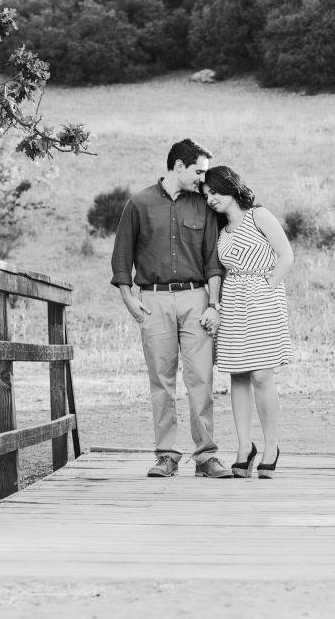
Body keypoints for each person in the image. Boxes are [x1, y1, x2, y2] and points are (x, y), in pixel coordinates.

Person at [111, 139, 232, 479]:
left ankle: (206, 457)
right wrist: (128, 297)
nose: (203, 179)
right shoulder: (139, 203)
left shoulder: (204, 207)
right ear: (179, 166)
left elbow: (213, 261)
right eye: (199, 171)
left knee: (201, 380)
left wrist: (214, 304)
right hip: (153, 300)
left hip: (196, 299)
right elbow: (122, 256)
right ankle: (166, 455)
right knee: (161, 382)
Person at [201, 166, 294, 479]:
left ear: (230, 186)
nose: (210, 198)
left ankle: (271, 447)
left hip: (263, 300)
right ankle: (244, 447)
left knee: (261, 375)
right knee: (237, 374)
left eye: (214, 191)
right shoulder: (221, 230)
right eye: (206, 194)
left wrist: (267, 290)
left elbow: (286, 255)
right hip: (233, 303)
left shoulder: (258, 216)